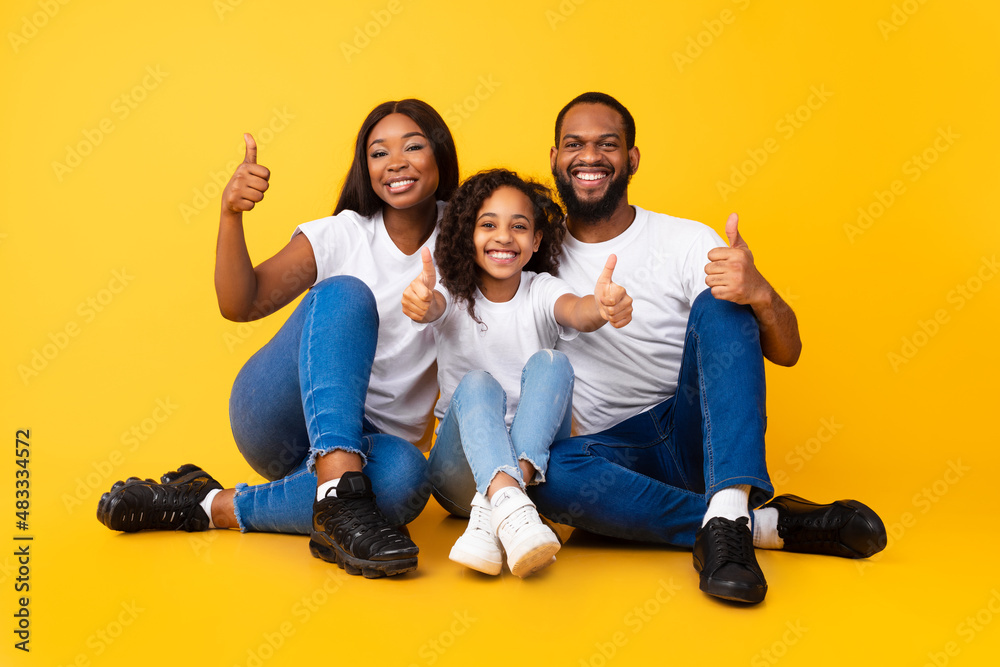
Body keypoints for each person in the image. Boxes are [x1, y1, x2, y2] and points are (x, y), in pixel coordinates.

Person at [528, 92, 887, 604]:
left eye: (607, 144)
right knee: (547, 474)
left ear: (631, 159)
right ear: (555, 158)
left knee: (722, 304)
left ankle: (726, 505)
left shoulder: (683, 239)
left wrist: (759, 290)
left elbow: (787, 352)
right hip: (618, 457)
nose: (589, 157)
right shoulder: (534, 250)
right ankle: (748, 523)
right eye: (574, 144)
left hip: (699, 432)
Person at [96, 99, 460, 578]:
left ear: (439, 154)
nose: (395, 162)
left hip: (377, 445)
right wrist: (230, 214)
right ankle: (339, 491)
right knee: (346, 295)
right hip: (281, 419)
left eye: (413, 146)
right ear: (364, 167)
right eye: (378, 152)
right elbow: (240, 303)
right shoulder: (341, 235)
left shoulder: (472, 236)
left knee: (406, 480)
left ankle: (207, 505)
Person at [403, 169, 632, 577]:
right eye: (488, 225)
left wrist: (601, 308)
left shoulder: (540, 289)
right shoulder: (453, 296)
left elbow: (576, 311)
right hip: (458, 476)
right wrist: (422, 302)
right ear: (466, 236)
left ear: (536, 241)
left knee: (554, 362)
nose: (504, 237)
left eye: (519, 227)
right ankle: (508, 503)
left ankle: (500, 509)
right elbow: (432, 306)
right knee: (476, 383)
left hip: (535, 472)